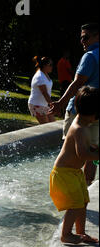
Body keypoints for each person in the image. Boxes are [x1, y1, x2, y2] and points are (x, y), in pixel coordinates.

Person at [49, 23, 99, 186]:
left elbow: (78, 82)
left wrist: (60, 103)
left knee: (69, 152)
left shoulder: (90, 56)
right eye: (81, 38)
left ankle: (68, 191)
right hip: (96, 112)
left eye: (86, 37)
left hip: (80, 110)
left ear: (97, 36)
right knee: (91, 154)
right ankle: (86, 190)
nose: (82, 42)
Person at [49, 86, 99, 244]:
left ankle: (81, 232)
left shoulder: (83, 125)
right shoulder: (78, 129)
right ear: (93, 113)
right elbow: (82, 154)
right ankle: (66, 234)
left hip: (74, 172)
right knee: (75, 204)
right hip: (64, 173)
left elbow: (85, 148)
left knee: (83, 202)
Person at [28, 56, 56, 124]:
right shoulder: (39, 76)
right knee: (46, 127)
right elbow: (44, 93)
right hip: (36, 104)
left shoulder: (45, 74)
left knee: (53, 125)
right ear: (44, 66)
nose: (52, 67)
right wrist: (53, 105)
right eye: (50, 65)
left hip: (44, 105)